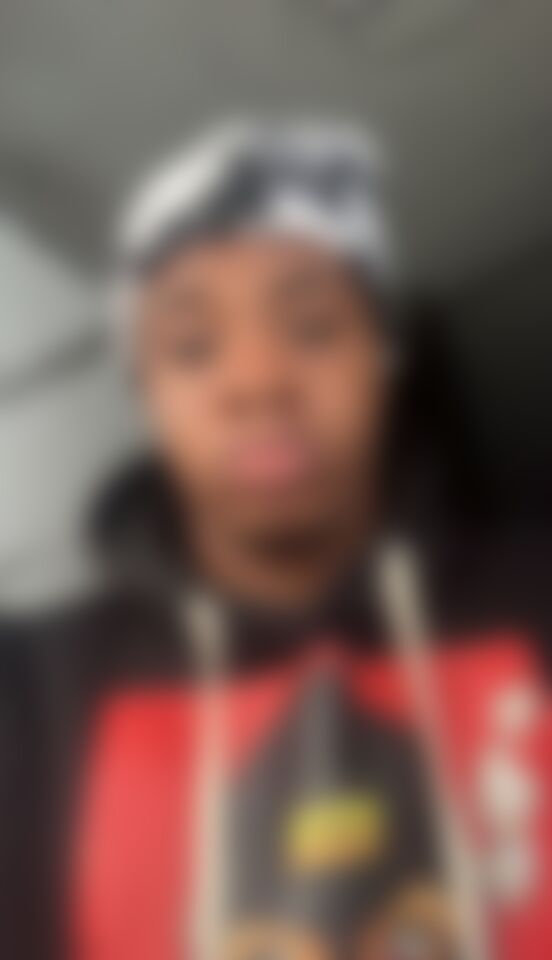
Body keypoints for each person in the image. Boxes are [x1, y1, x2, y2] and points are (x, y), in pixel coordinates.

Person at [1, 120, 550, 960]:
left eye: (313, 327)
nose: (257, 381)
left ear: (382, 357)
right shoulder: (31, 699)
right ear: (147, 394)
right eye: (193, 348)